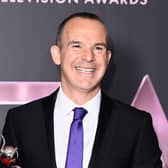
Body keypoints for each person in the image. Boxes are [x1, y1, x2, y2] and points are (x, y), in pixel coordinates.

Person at [1, 12, 162, 168]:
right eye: (77, 46)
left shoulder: (136, 125)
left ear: (107, 57)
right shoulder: (21, 121)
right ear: (57, 54)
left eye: (98, 48)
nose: (88, 57)